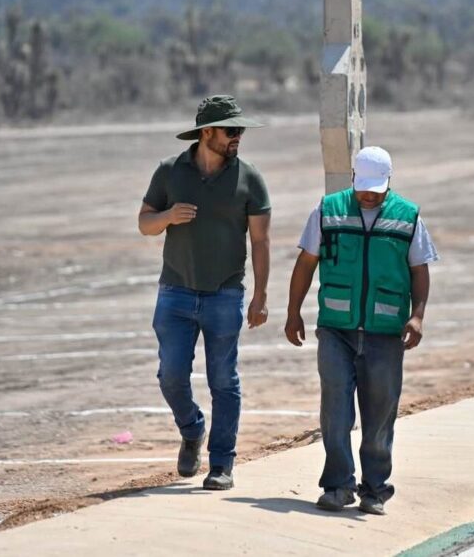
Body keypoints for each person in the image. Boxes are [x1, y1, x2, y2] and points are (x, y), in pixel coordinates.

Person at [284, 146, 438, 516]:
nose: (369, 195)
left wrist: (417, 316)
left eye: (376, 190)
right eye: (363, 187)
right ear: (353, 178)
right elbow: (306, 262)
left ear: (389, 182)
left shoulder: (407, 216)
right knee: (335, 409)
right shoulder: (328, 210)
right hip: (335, 329)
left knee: (380, 413)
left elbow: (419, 270)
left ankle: (375, 489)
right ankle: (338, 486)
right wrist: (293, 312)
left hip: (385, 331)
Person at [137, 95, 272, 491]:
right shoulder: (169, 171)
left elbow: (260, 241)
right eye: (231, 130)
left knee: (224, 381)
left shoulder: (249, 178)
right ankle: (192, 428)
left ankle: (221, 464)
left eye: (240, 130)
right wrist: (167, 216)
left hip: (225, 294)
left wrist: (261, 295)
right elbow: (144, 223)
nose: (238, 136)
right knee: (171, 376)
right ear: (207, 132)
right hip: (175, 293)